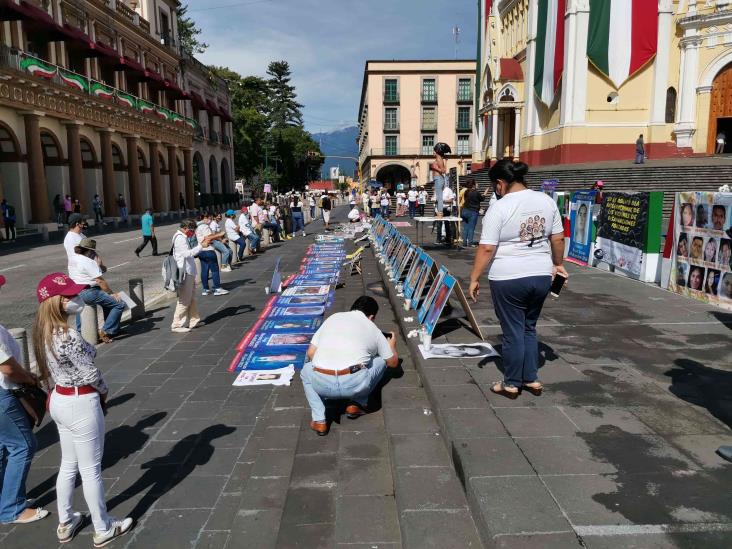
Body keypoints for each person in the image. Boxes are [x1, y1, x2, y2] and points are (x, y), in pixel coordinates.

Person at [31, 273, 133, 545]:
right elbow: (91, 369)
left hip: (60, 399)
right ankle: (103, 527)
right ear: (57, 302)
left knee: (68, 464)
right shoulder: (68, 334)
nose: (77, 299)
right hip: (81, 401)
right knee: (90, 470)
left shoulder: (42, 331)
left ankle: (65, 521)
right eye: (70, 296)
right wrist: (104, 391)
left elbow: (87, 352)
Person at [468, 160, 567, 399]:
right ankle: (531, 378)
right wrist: (558, 264)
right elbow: (558, 238)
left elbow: (487, 248)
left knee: (512, 331)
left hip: (509, 276)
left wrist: (474, 278)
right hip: (541, 274)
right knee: (529, 327)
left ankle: (512, 383)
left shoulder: (500, 207)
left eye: (495, 185)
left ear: (500, 183)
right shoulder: (546, 200)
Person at [300, 296, 399, 435]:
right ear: (371, 317)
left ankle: (319, 420)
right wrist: (392, 346)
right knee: (381, 360)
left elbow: (311, 353)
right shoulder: (371, 327)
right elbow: (393, 363)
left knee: (305, 371)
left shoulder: (333, 318)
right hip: (355, 384)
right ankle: (357, 403)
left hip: (322, 383)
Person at [0, 275, 49, 526]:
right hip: (3, 394)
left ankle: (4, 499)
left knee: (3, 448)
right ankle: (12, 508)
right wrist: (28, 378)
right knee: (23, 446)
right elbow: (6, 368)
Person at [70, 238, 125, 343]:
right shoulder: (89, 261)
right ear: (89, 251)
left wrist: (99, 266)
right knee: (119, 304)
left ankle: (81, 332)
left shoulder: (73, 259)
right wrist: (112, 293)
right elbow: (100, 281)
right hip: (89, 292)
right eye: (92, 251)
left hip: (76, 292)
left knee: (101, 304)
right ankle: (106, 330)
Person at [171, 221, 215, 332]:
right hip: (185, 272)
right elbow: (186, 254)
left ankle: (194, 320)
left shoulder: (183, 236)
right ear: (185, 228)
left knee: (192, 298)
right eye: (192, 231)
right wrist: (201, 246)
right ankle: (177, 325)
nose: (193, 233)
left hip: (189, 271)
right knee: (184, 300)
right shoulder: (180, 238)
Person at [195, 214, 229, 297]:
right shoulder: (204, 226)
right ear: (204, 218)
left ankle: (205, 289)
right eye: (208, 218)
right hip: (208, 250)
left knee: (204, 270)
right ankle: (217, 288)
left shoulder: (196, 227)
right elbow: (208, 238)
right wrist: (220, 234)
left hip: (200, 251)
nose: (210, 220)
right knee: (214, 270)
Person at [431, 143, 450, 217]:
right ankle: (439, 213)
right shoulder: (438, 159)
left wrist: (434, 168)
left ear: (437, 151)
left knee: (439, 197)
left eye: (434, 151)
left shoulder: (439, 159)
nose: (433, 153)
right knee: (439, 196)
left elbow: (443, 170)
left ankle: (440, 213)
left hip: (439, 178)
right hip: (437, 178)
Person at [461, 180, 482, 247]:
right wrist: (484, 195)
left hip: (465, 210)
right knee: (471, 228)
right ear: (473, 185)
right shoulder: (476, 193)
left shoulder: (466, 191)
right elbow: (481, 199)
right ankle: (470, 242)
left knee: (466, 227)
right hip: (473, 211)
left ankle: (464, 242)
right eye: (476, 184)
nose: (477, 185)